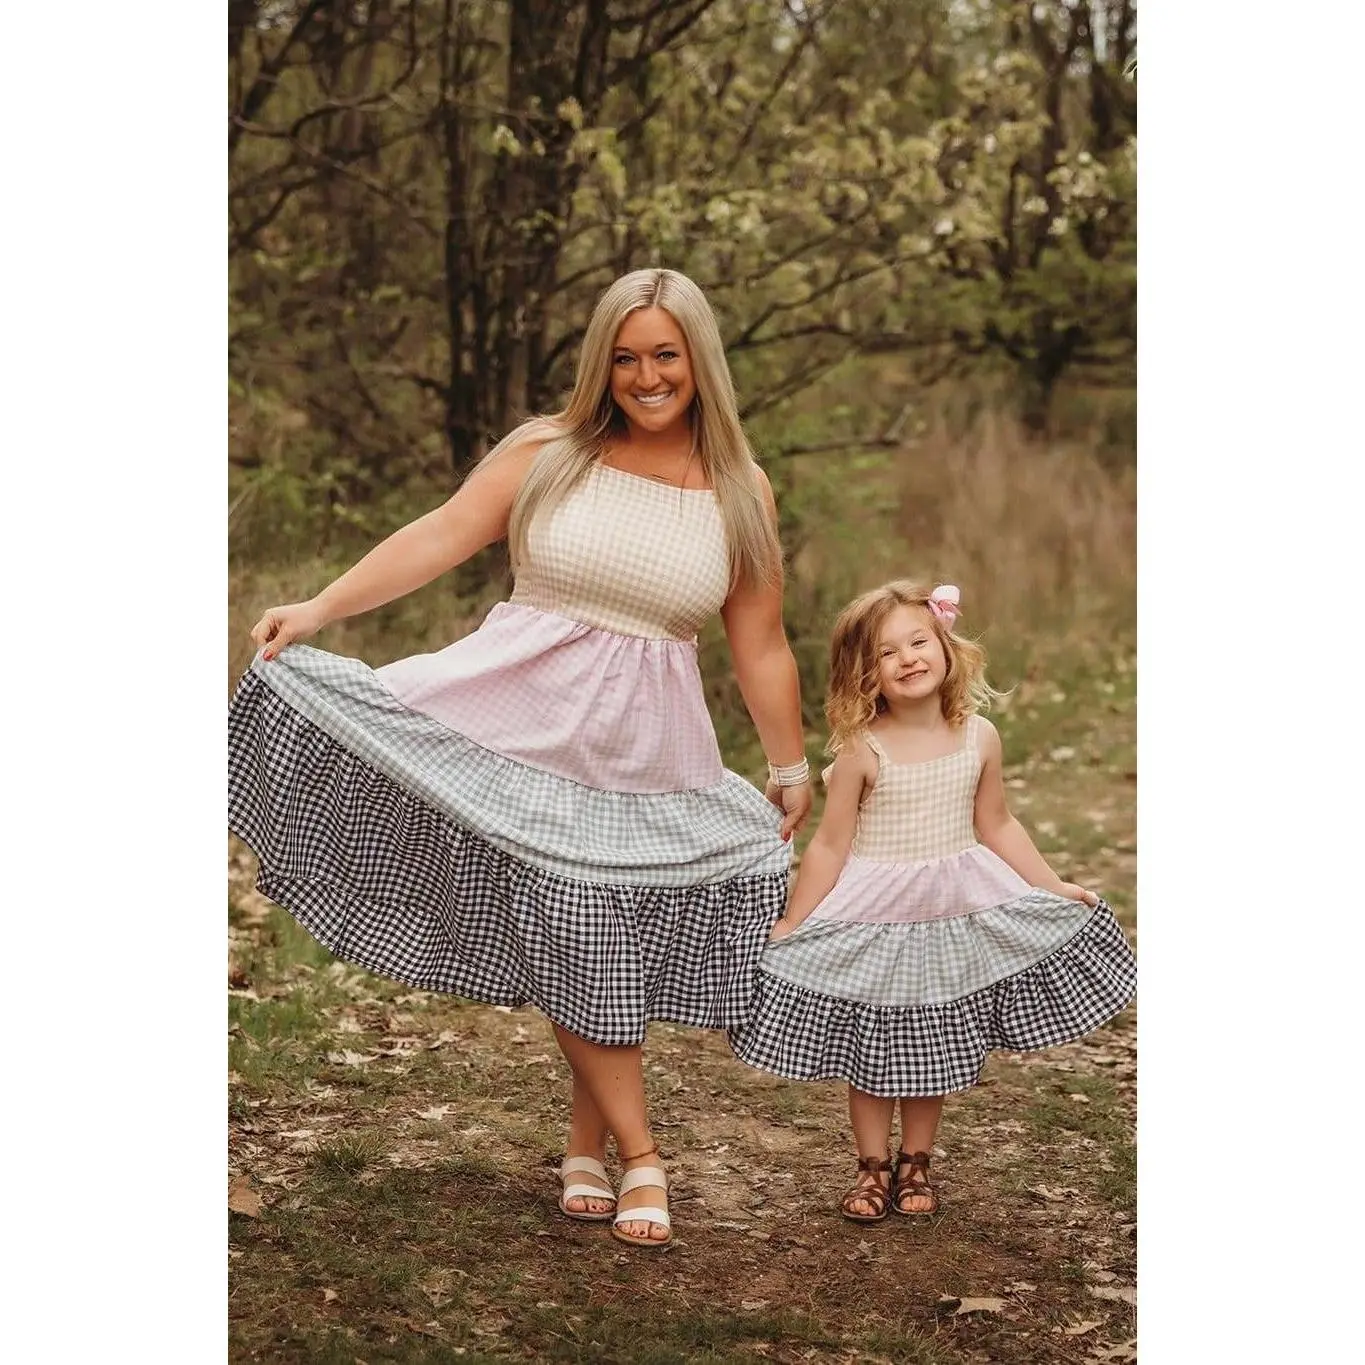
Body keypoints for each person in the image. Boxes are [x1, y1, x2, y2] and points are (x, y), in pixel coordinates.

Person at [228, 267, 813, 1249]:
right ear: (600, 365)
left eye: (665, 355)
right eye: (624, 358)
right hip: (516, 724)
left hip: (646, 754)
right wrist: (320, 607)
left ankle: (585, 1145)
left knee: (610, 936)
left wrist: (791, 765)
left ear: (699, 361)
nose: (646, 377)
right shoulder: (550, 452)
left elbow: (760, 641)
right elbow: (443, 534)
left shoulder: (739, 489)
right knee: (577, 926)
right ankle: (642, 1153)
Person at [727, 580, 1136, 1222]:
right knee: (873, 1046)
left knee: (930, 1043)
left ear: (945, 647)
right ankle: (871, 1166)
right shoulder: (863, 750)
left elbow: (997, 823)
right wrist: (794, 920)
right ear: (866, 674)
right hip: (876, 915)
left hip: (951, 912)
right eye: (886, 653)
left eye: (918, 642)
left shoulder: (979, 737)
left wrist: (1050, 886)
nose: (907, 659)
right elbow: (830, 845)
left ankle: (916, 1162)